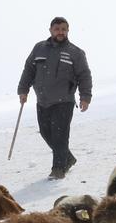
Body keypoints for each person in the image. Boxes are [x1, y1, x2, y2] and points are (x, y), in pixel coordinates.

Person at [17, 17, 92, 180]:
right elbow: (28, 70)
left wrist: (85, 97)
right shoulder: (39, 48)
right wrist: (23, 90)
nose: (60, 32)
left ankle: (58, 169)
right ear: (50, 30)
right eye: (57, 29)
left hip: (64, 100)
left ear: (68, 31)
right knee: (46, 133)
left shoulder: (75, 52)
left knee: (60, 135)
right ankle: (68, 158)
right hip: (43, 100)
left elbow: (84, 76)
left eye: (63, 29)